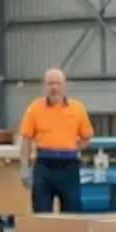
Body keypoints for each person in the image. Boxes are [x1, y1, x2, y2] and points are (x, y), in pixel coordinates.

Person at [18, 69, 93, 214]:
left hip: (69, 169)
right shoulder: (34, 109)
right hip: (44, 167)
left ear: (64, 85)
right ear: (44, 86)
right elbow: (26, 140)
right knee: (41, 212)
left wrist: (73, 148)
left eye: (57, 83)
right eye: (50, 83)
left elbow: (87, 136)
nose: (54, 88)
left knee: (73, 213)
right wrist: (24, 168)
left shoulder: (77, 109)